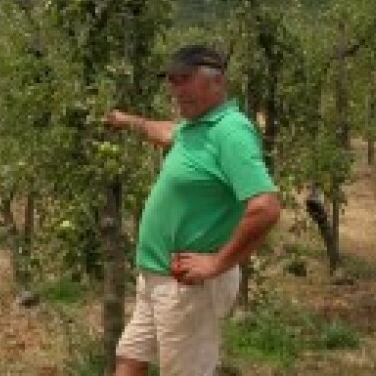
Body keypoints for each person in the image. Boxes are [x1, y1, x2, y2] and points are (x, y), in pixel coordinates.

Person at [104, 45, 281, 376]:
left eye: (185, 79)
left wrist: (217, 263)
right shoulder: (196, 126)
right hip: (156, 276)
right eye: (172, 81)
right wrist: (126, 121)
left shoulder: (230, 131)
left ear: (218, 81)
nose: (176, 90)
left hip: (187, 287)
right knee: (129, 360)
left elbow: (266, 208)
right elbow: (168, 132)